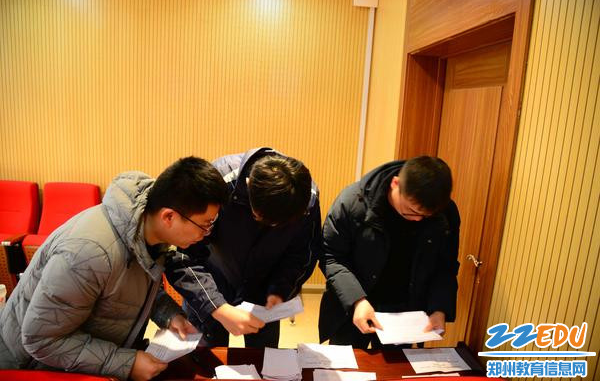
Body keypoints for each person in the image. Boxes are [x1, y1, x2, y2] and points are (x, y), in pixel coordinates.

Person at [0, 157, 229, 381]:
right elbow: (41, 339)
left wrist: (170, 315)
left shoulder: (144, 229)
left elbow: (128, 287)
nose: (205, 234)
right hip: (29, 367)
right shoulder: (89, 254)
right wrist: (127, 363)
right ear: (169, 217)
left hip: (81, 361)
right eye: (205, 225)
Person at [166, 147, 321, 348]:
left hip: (263, 295)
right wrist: (216, 306)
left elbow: (300, 254)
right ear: (248, 186)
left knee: (263, 359)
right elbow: (183, 254)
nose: (272, 227)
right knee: (205, 358)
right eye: (259, 217)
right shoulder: (217, 182)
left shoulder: (306, 201)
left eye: (280, 226)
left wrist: (280, 290)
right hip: (209, 284)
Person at [318, 156, 460, 348]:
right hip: (352, 306)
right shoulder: (353, 203)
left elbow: (445, 266)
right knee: (346, 362)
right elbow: (331, 256)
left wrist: (439, 308)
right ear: (395, 184)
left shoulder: (445, 213)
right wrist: (357, 300)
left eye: (426, 216)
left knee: (396, 365)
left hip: (405, 312)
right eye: (411, 211)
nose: (418, 219)